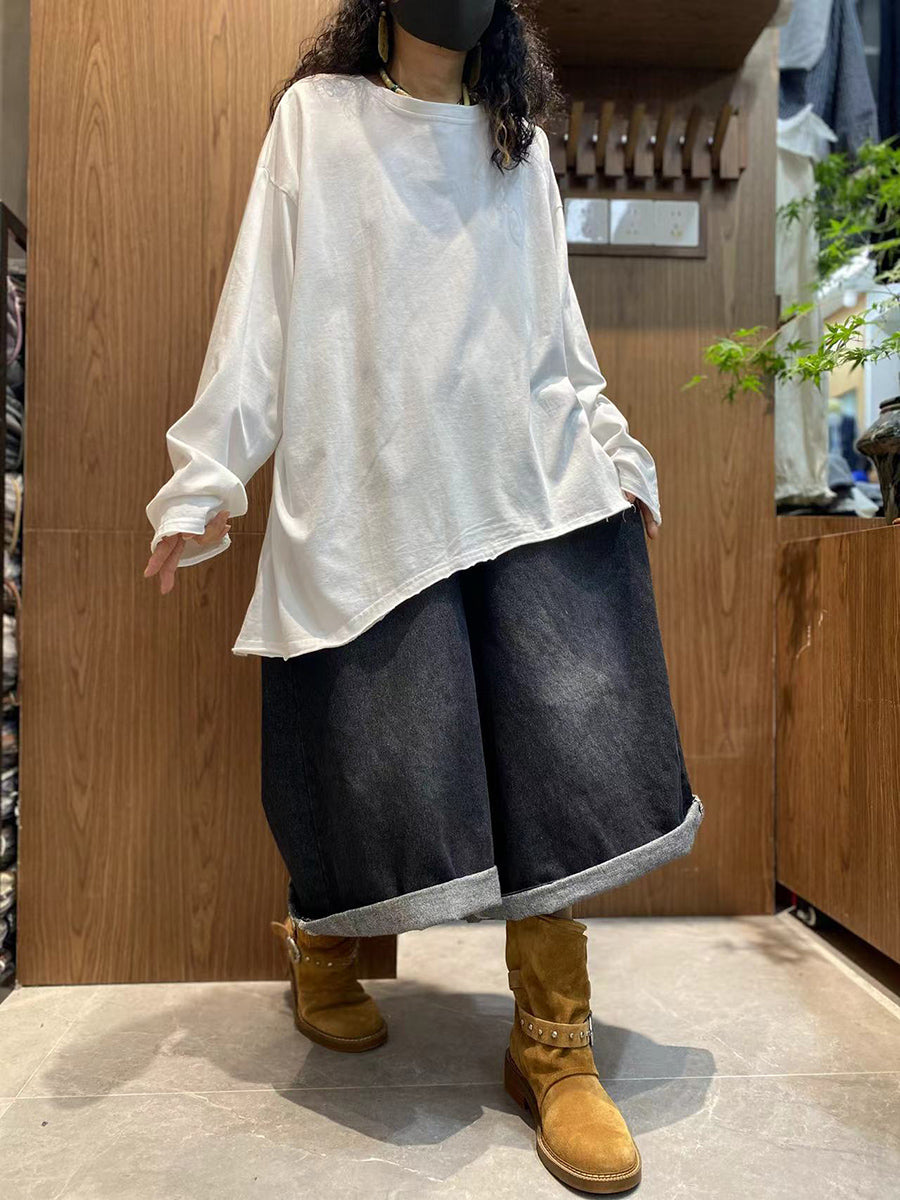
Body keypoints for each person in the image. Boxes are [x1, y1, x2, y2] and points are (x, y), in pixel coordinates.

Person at [143, 1, 703, 1191]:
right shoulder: (319, 118)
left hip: (518, 473)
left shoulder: (517, 145)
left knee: (557, 759)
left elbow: (558, 334)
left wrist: (612, 448)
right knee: (367, 755)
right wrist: (207, 476)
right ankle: (325, 948)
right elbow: (262, 307)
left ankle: (553, 1043)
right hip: (373, 482)